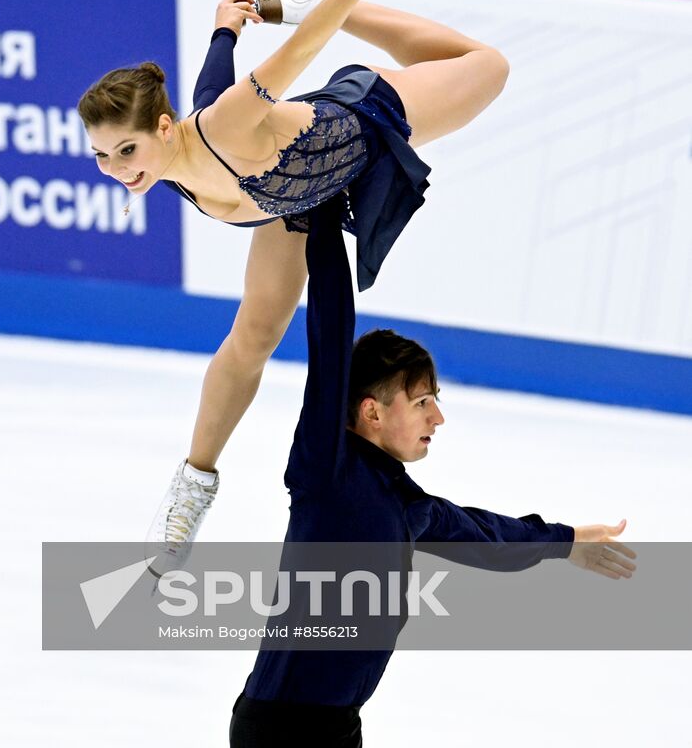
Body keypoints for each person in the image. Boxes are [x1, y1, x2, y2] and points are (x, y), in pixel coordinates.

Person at [78, 0, 508, 563]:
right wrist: (225, 28)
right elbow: (210, 81)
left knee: (487, 65)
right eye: (102, 157)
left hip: (364, 122)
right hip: (297, 197)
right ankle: (190, 493)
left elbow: (302, 50)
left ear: (164, 130)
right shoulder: (170, 158)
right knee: (252, 335)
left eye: (126, 149)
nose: (116, 170)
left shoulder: (221, 127)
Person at [226, 197, 635, 747]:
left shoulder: (405, 503)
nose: (438, 418)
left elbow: (488, 538)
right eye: (422, 402)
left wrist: (566, 542)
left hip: (336, 727)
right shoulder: (326, 472)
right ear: (371, 410)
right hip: (280, 730)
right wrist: (321, 214)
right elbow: (329, 331)